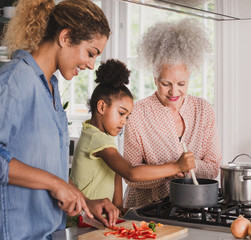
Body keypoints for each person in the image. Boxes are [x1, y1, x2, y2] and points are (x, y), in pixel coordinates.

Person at [0, 0, 118, 239]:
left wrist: (85, 202)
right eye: (90, 53)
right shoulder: (15, 80)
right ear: (65, 37)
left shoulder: (52, 88)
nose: (91, 64)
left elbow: (46, 169)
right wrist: (56, 184)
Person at [69, 59, 195, 212]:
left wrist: (119, 206)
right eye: (121, 113)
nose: (124, 122)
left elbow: (115, 172)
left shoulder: (99, 134)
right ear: (102, 107)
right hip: (83, 217)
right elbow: (130, 172)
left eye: (127, 117)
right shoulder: (96, 138)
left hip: (98, 215)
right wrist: (176, 166)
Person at [123, 18, 222, 208]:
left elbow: (212, 168)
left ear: (189, 78)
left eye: (181, 84)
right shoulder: (137, 113)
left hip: (193, 207)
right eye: (166, 84)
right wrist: (171, 169)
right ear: (154, 78)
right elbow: (131, 177)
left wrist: (188, 165)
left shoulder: (204, 110)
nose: (174, 92)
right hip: (145, 211)